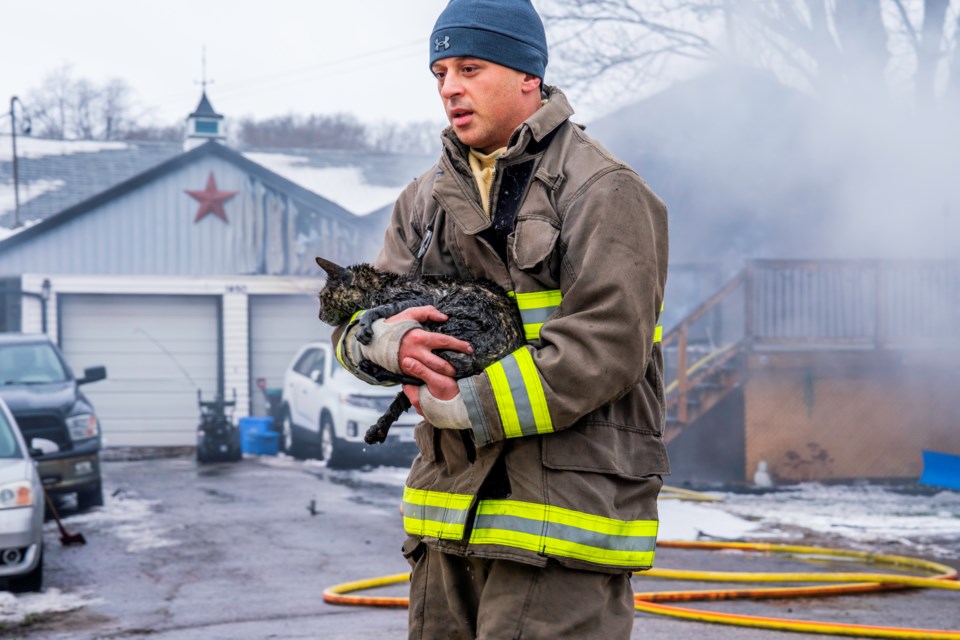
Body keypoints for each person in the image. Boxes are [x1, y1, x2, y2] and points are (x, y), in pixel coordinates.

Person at [333, 0, 669, 637]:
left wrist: (466, 405)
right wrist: (390, 345)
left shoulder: (606, 192)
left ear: (527, 77)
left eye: (469, 67)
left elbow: (607, 348)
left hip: (561, 526)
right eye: (439, 73)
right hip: (445, 525)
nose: (449, 87)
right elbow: (356, 320)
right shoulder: (423, 200)